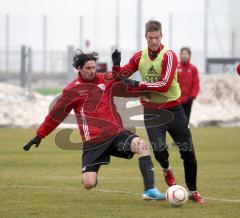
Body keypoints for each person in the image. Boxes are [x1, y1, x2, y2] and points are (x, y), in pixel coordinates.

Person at [23, 50, 165, 200]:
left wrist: (117, 66)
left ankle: (149, 190)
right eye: (88, 68)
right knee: (88, 184)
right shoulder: (72, 90)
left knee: (142, 146)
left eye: (93, 67)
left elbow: (120, 80)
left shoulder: (105, 79)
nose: (92, 71)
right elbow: (55, 116)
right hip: (94, 141)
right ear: (79, 68)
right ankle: (90, 175)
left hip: (115, 133)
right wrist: (39, 135)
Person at [112, 20, 204, 203]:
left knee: (188, 153)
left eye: (157, 37)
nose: (154, 41)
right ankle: (166, 169)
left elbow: (164, 85)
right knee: (160, 149)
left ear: (161, 36)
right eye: (150, 37)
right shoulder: (139, 57)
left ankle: (193, 191)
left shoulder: (169, 56)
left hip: (173, 109)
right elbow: (120, 77)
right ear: (145, 37)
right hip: (152, 111)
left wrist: (138, 84)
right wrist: (116, 66)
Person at [177, 47, 199, 122]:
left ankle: (186, 133)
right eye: (183, 54)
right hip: (177, 100)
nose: (184, 56)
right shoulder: (176, 67)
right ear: (180, 55)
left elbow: (196, 84)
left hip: (188, 99)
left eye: (186, 54)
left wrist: (192, 96)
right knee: (178, 120)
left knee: (186, 120)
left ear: (189, 55)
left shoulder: (193, 69)